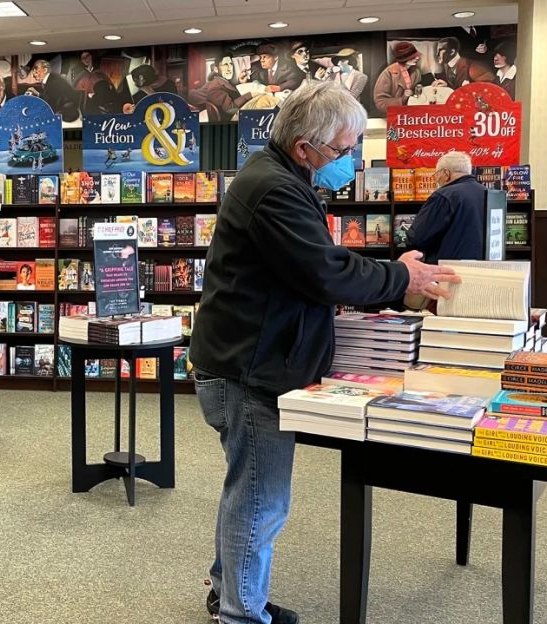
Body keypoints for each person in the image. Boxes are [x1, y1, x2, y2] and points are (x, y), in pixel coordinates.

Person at [191, 81, 459, 624]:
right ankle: (241, 614)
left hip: (248, 361)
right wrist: (400, 275)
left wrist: (391, 273)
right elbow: (324, 271)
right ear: (304, 147)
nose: (349, 160)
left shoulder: (279, 179)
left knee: (248, 492)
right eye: (342, 150)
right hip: (249, 371)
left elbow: (313, 262)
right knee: (262, 501)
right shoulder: (275, 189)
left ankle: (234, 594)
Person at [407, 151, 489, 263]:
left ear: (446, 173)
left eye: (437, 174)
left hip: (447, 271)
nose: (437, 179)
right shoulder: (489, 193)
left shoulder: (444, 196)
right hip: (483, 269)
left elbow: (417, 237)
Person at [373, 41, 423, 114]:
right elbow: (380, 103)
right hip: (395, 115)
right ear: (404, 58)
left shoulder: (416, 71)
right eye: (413, 56)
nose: (417, 58)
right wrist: (402, 99)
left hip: (412, 112)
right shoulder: (388, 73)